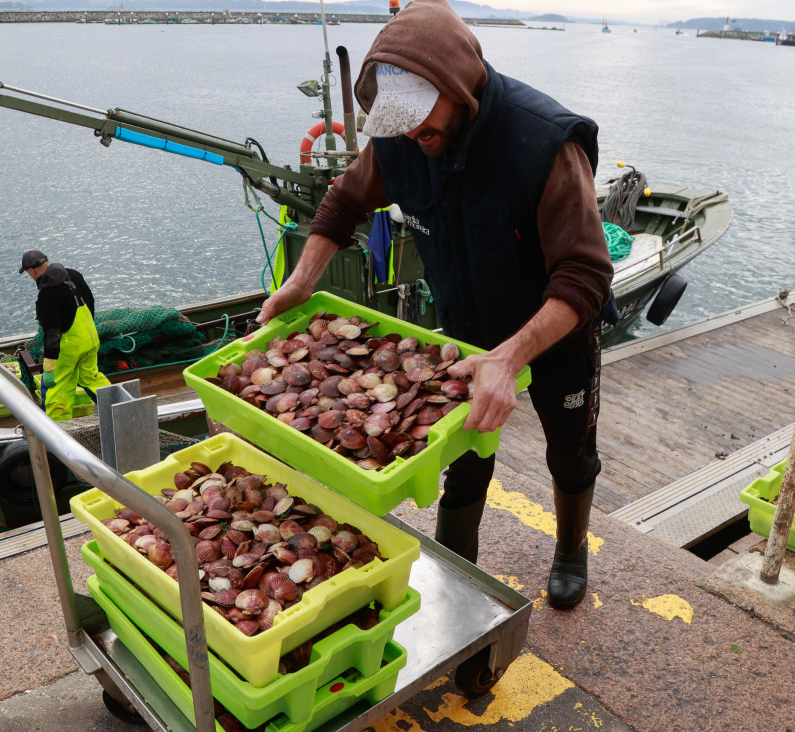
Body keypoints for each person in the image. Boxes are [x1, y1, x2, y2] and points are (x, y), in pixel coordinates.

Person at [256, 0, 612, 610]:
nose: (416, 137)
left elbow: (586, 277)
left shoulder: (546, 142)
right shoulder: (399, 140)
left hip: (550, 331)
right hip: (466, 331)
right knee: (464, 461)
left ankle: (571, 548)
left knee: (571, 452)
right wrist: (303, 279)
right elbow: (345, 204)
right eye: (403, 124)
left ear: (461, 86)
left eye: (425, 120)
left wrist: (513, 355)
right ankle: (455, 579)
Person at [19, 250, 111, 421]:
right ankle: (122, 410)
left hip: (69, 348)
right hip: (90, 338)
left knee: (57, 391)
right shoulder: (73, 274)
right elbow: (90, 301)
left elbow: (53, 333)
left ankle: (58, 436)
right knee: (92, 380)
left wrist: (48, 368)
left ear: (31, 271)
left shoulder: (47, 295)